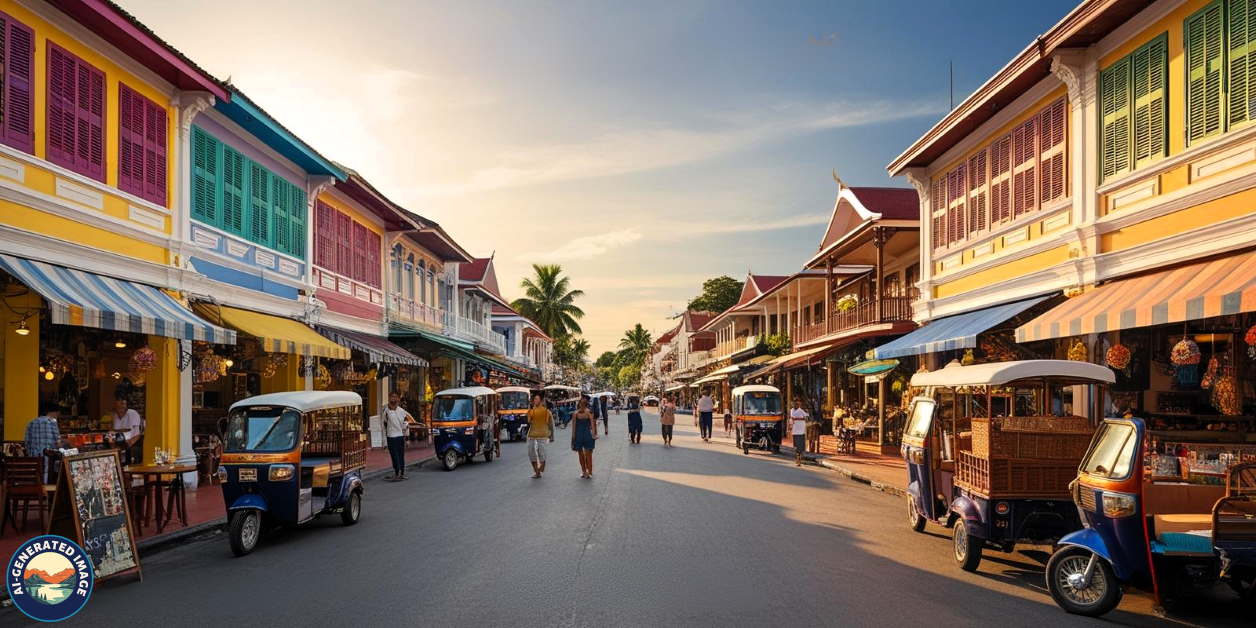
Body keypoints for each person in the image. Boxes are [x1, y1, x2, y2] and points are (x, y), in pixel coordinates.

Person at [26, 403, 65, 482]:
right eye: (58, 415)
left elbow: (27, 442)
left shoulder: (31, 422)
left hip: (34, 460)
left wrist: (31, 453)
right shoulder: (52, 422)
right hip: (48, 461)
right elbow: (58, 443)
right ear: (55, 413)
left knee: (37, 478)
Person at [382, 392, 415, 482]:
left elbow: (406, 425)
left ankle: (401, 472)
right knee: (394, 456)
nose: (394, 399)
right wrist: (384, 442)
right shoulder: (386, 412)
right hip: (390, 437)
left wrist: (407, 439)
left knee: (401, 455)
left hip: (400, 436)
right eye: (392, 397)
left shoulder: (401, 411)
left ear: (398, 399)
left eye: (396, 397)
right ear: (389, 398)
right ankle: (397, 471)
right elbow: (384, 427)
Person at [525, 392, 555, 478]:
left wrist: (551, 436)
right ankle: (536, 470)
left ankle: (541, 468)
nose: (536, 400)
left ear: (541, 401)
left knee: (542, 453)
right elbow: (528, 423)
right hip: (532, 435)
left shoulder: (547, 412)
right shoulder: (530, 411)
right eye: (535, 399)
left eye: (538, 399)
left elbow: (550, 425)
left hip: (543, 435)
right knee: (531, 452)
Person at [109, 396, 144, 464]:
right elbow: (111, 432)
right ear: (115, 404)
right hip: (119, 446)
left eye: (123, 402)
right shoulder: (114, 417)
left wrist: (129, 443)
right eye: (119, 401)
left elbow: (138, 434)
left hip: (131, 448)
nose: (122, 403)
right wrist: (113, 446)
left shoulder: (132, 414)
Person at [571, 395, 598, 479]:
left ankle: (584, 471)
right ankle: (589, 472)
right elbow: (593, 425)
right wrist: (594, 435)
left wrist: (572, 440)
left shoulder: (575, 414)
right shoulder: (589, 413)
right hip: (587, 435)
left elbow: (573, 428)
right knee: (589, 454)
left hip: (578, 435)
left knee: (581, 455)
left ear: (579, 404)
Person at [790, 399, 810, 466]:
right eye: (796, 404)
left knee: (800, 446)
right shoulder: (791, 410)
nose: (797, 405)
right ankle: (798, 457)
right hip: (795, 430)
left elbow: (807, 416)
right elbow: (791, 419)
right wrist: (790, 427)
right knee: (795, 445)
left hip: (801, 430)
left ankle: (799, 460)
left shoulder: (801, 411)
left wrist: (805, 418)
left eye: (798, 404)